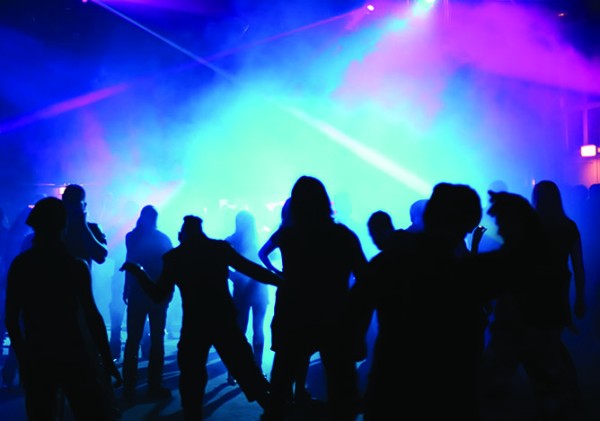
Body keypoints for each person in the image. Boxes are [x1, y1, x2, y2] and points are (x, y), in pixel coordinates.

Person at [351, 182, 495, 420]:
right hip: (435, 378)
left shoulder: (395, 254)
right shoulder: (448, 261)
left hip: (398, 374)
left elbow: (361, 301)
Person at [120, 215, 282, 421]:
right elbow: (252, 269)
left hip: (194, 325)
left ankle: (193, 416)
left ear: (182, 234)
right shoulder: (219, 249)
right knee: (247, 372)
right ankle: (275, 412)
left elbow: (158, 294)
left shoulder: (175, 257)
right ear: (201, 231)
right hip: (223, 320)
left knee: (192, 380)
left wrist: (139, 272)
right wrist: (280, 282)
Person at [5, 197, 122, 421]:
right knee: (89, 411)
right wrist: (106, 359)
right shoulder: (75, 266)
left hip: (38, 350)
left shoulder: (21, 265)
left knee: (42, 413)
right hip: (72, 349)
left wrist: (23, 359)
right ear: (64, 226)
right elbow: (92, 315)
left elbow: (12, 319)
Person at [262, 176, 368, 421]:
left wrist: (278, 276)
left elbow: (264, 253)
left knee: (280, 389)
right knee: (342, 391)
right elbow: (366, 280)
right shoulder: (342, 235)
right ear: (324, 201)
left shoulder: (288, 235)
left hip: (294, 317)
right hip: (335, 318)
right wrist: (356, 320)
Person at [478, 189, 586, 421]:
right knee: (550, 378)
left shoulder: (513, 256)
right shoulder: (560, 233)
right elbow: (574, 268)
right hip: (540, 324)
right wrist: (575, 301)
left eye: (503, 222)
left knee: (499, 387)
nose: (500, 229)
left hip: (519, 329)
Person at [122, 205, 174, 400]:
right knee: (157, 339)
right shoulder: (163, 239)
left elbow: (129, 262)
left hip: (138, 292)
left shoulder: (131, 237)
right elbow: (170, 266)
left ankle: (129, 384)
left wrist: (126, 287)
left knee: (133, 339)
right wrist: (169, 291)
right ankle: (154, 384)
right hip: (157, 293)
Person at [225, 210, 270, 385]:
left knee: (245, 331)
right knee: (248, 330)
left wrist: (233, 276)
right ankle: (250, 370)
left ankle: (244, 370)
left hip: (250, 290)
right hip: (254, 289)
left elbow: (221, 263)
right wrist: (233, 276)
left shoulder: (232, 240)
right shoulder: (255, 238)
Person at [61, 184, 108, 268]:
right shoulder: (55, 227)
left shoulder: (93, 228)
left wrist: (83, 225)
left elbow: (100, 257)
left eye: (75, 203)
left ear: (84, 206)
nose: (71, 208)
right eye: (69, 203)